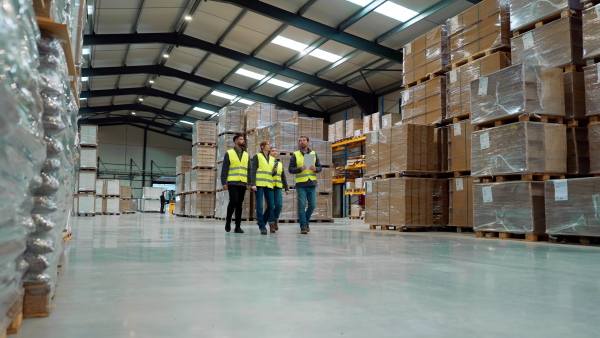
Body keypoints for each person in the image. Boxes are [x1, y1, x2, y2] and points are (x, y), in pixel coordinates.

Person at [289, 136, 322, 234]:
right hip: (301, 184)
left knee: (312, 205)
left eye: (304, 140)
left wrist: (315, 169)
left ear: (308, 142)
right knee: (302, 206)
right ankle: (303, 226)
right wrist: (299, 169)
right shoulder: (295, 155)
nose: (302, 142)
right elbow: (290, 169)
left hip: (311, 183)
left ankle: (306, 221)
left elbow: (320, 167)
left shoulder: (313, 154)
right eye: (300, 141)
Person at [221, 134, 249, 233]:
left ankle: (238, 226)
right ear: (236, 141)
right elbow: (225, 168)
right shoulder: (229, 153)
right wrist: (224, 182)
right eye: (241, 139)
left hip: (242, 182)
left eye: (243, 139)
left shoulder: (246, 154)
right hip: (232, 181)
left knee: (239, 204)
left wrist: (249, 182)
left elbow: (249, 170)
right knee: (234, 200)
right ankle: (228, 222)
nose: (243, 141)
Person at [249, 140, 277, 235]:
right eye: (268, 144)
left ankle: (262, 222)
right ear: (262, 146)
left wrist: (275, 171)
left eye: (269, 144)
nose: (269, 146)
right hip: (259, 184)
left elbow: (272, 174)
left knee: (271, 205)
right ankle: (262, 227)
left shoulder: (272, 159)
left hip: (269, 184)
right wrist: (252, 183)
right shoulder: (257, 156)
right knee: (260, 206)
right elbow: (253, 171)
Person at [268, 147, 289, 233]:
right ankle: (271, 223)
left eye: (276, 151)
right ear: (269, 153)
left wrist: (286, 188)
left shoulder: (280, 164)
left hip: (278, 186)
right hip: (269, 186)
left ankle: (275, 219)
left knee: (279, 205)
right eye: (272, 151)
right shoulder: (267, 162)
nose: (275, 152)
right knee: (271, 205)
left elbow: (283, 176)